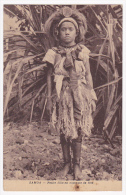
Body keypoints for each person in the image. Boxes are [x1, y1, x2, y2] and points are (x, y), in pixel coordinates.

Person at [43, 6, 97, 180]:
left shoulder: (83, 52)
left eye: (70, 29)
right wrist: (50, 97)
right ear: (58, 33)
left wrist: (91, 93)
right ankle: (66, 162)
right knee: (64, 127)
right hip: (62, 94)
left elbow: (88, 74)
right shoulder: (53, 53)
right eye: (63, 30)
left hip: (79, 93)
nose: (67, 33)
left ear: (77, 32)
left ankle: (77, 164)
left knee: (78, 127)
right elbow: (50, 77)